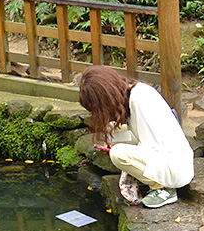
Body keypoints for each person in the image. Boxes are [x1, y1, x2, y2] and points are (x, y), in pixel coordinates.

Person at [78, 65, 194, 208]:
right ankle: (161, 184)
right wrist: (112, 139)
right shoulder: (133, 93)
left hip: (174, 165)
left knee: (117, 154)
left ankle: (163, 189)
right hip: (171, 159)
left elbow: (151, 145)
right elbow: (138, 134)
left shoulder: (139, 100)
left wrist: (121, 150)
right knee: (114, 140)